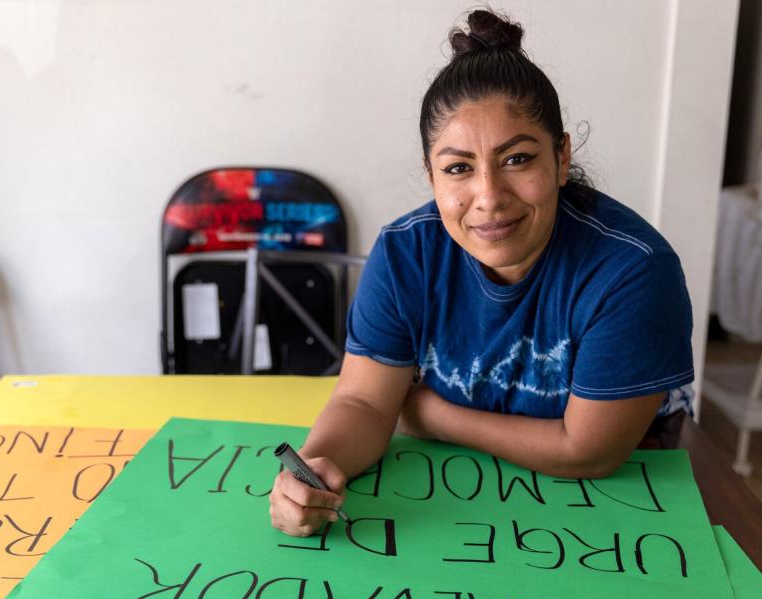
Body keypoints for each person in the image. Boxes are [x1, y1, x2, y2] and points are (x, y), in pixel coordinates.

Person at [269, 9, 694, 537]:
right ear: (431, 176)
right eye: (458, 168)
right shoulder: (405, 254)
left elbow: (588, 451)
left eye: (517, 159)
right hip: (461, 505)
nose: (489, 197)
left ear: (561, 157)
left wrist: (426, 413)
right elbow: (361, 401)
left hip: (614, 508)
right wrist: (319, 464)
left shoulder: (633, 271)